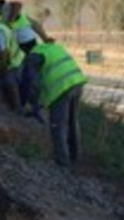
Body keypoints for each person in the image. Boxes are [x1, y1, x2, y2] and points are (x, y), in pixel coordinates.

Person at [16, 26, 87, 168]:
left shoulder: (33, 57)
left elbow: (32, 84)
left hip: (61, 89)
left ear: (22, 46)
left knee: (58, 126)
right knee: (72, 122)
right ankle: (75, 158)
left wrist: (31, 103)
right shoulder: (50, 47)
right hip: (77, 83)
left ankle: (63, 164)